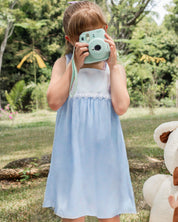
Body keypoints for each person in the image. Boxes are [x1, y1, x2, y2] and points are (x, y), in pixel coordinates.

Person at [42, 1, 137, 222]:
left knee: (109, 212)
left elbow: (121, 107)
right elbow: (54, 102)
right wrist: (74, 66)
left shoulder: (114, 69)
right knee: (73, 213)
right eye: (84, 37)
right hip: (72, 155)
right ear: (71, 40)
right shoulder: (63, 64)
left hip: (107, 155)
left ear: (104, 32)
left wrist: (113, 66)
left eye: (96, 33)